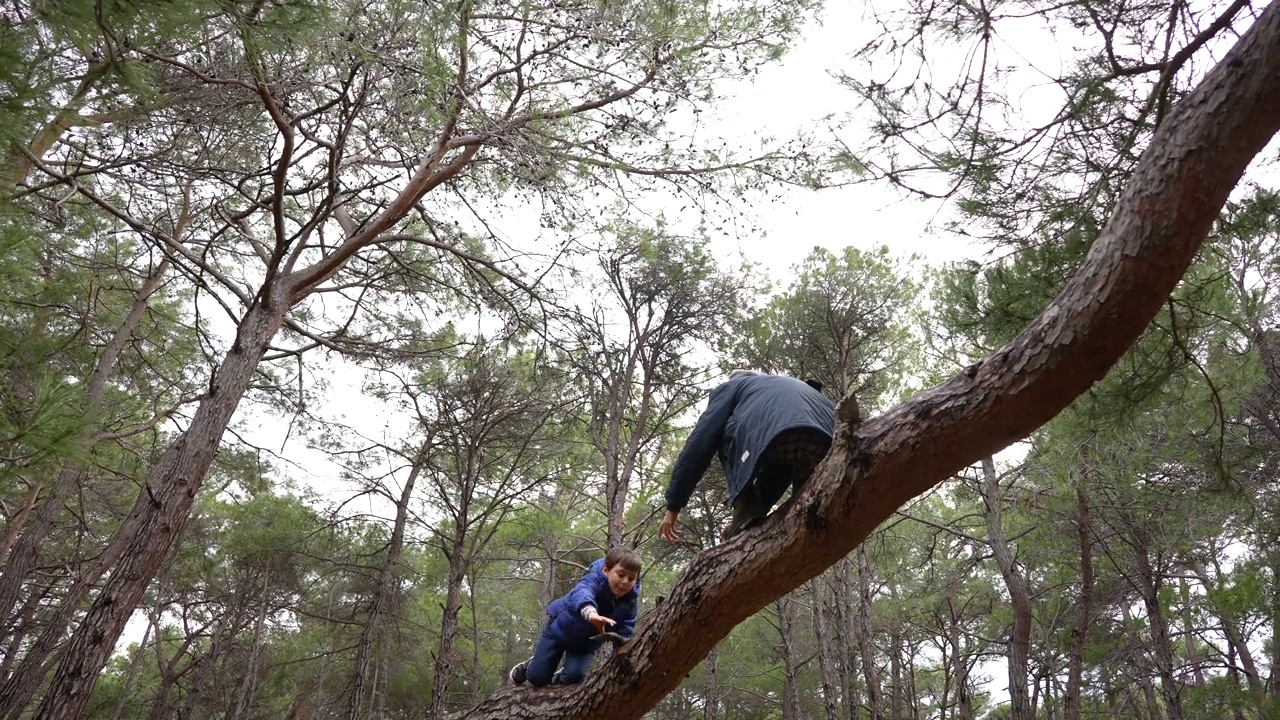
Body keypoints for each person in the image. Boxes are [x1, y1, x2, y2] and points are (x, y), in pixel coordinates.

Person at [659, 370, 836, 542]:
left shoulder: (732, 386)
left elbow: (700, 442)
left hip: (782, 438)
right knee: (802, 503)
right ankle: (751, 519)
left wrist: (674, 505)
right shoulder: (780, 385)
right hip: (828, 442)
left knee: (724, 433)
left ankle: (746, 510)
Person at [508, 547, 642, 686]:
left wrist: (620, 658)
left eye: (631, 578)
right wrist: (591, 614)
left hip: (586, 644)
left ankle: (557, 680)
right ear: (606, 570)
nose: (625, 581)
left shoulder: (630, 602)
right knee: (537, 678)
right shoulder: (594, 576)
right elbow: (583, 592)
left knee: (573, 679)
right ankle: (528, 667)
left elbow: (626, 631)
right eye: (621, 575)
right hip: (560, 628)